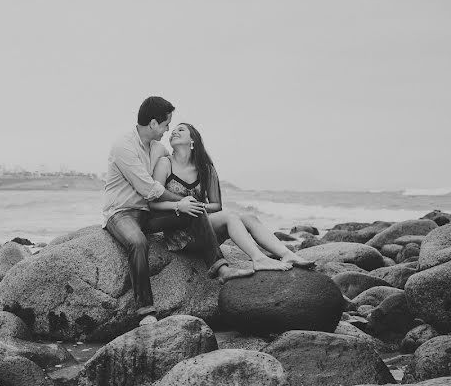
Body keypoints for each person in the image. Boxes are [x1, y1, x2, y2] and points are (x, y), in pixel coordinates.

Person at [103, 97, 253, 325]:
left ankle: (221, 269)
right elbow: (150, 189)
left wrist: (188, 201)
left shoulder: (158, 148)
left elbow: (174, 174)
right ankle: (146, 312)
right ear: (153, 124)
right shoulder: (124, 146)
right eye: (165, 125)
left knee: (194, 209)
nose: (167, 130)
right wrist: (181, 201)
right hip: (122, 212)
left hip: (149, 214)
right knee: (138, 242)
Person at [155, 122, 315, 271]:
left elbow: (216, 205)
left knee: (249, 217)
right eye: (173, 131)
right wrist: (180, 206)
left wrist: (197, 206)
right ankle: (258, 258)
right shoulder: (165, 164)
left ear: (193, 140)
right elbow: (152, 203)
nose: (174, 131)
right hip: (180, 235)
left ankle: (288, 254)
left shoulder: (206, 169)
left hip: (206, 231)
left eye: (181, 129)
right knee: (230, 216)